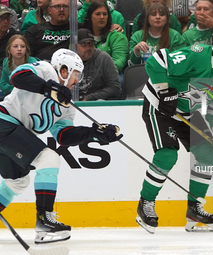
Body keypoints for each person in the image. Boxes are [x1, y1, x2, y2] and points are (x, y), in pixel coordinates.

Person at [0, 48, 123, 244]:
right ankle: (44, 221)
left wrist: (93, 133)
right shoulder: (46, 69)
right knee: (48, 158)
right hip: (4, 124)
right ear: (64, 71)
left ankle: (44, 221)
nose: (77, 81)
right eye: (76, 75)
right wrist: (48, 88)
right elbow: (18, 76)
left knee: (17, 182)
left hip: (9, 135)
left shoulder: (65, 104)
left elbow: (64, 136)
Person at [136, 22, 213, 234]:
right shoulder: (197, 54)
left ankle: (194, 208)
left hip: (189, 113)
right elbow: (155, 62)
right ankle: (145, 204)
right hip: (160, 106)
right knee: (167, 155)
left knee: (208, 154)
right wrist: (164, 90)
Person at [83, 1, 128, 74]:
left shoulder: (117, 36)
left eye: (104, 14)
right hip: (85, 75)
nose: (101, 17)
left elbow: (119, 62)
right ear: (90, 17)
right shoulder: (82, 36)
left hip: (110, 75)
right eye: (98, 14)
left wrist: (98, 73)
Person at [77, 28, 121, 100]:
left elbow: (115, 89)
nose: (88, 47)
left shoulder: (103, 58)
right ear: (74, 46)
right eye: (84, 44)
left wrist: (89, 98)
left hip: (97, 103)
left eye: (91, 44)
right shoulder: (67, 60)